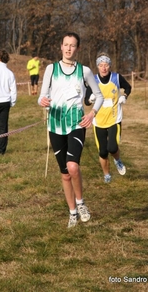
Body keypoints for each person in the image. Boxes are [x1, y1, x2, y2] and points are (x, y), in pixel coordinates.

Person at [38, 32, 104, 228]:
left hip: (77, 124)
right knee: (65, 173)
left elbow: (99, 96)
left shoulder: (84, 71)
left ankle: (81, 203)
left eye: (72, 45)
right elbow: (42, 96)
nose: (68, 48)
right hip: (56, 125)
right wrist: (42, 101)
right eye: (65, 45)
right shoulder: (51, 69)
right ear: (61, 46)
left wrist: (92, 114)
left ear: (78, 48)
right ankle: (72, 212)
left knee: (73, 166)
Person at [84, 52, 131, 183]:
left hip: (114, 119)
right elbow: (86, 101)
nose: (104, 68)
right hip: (98, 121)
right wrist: (90, 98)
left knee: (112, 148)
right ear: (97, 66)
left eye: (106, 65)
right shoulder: (93, 80)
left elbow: (128, 87)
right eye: (101, 65)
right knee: (103, 152)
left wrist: (124, 96)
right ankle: (107, 174)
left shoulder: (116, 77)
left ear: (109, 66)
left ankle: (117, 160)